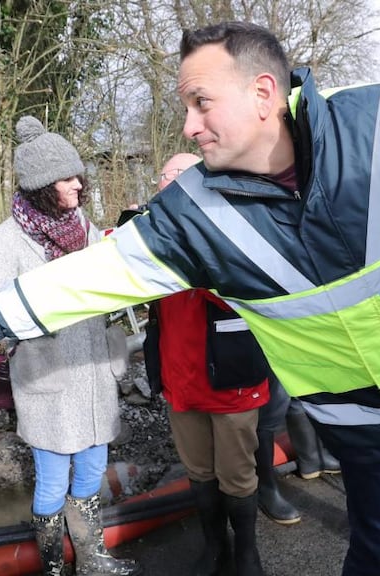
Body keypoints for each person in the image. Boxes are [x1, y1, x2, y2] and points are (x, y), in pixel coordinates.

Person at [0, 21, 380, 576]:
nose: (187, 125)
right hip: (361, 420)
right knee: (374, 548)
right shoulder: (190, 214)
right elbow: (88, 276)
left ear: (263, 94)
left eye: (201, 103)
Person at [0, 116, 138, 576]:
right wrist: (41, 317)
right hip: (48, 379)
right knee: (51, 482)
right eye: (68, 178)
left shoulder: (86, 228)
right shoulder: (6, 240)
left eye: (79, 176)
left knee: (90, 474)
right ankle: (51, 567)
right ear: (42, 184)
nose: (78, 185)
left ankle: (92, 559)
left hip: (94, 374)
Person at [144, 152, 268, 575]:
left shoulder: (234, 223)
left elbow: (248, 289)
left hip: (232, 376)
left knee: (237, 474)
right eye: (167, 176)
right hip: (180, 378)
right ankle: (215, 547)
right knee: (198, 471)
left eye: (182, 174)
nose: (173, 182)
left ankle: (247, 552)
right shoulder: (151, 235)